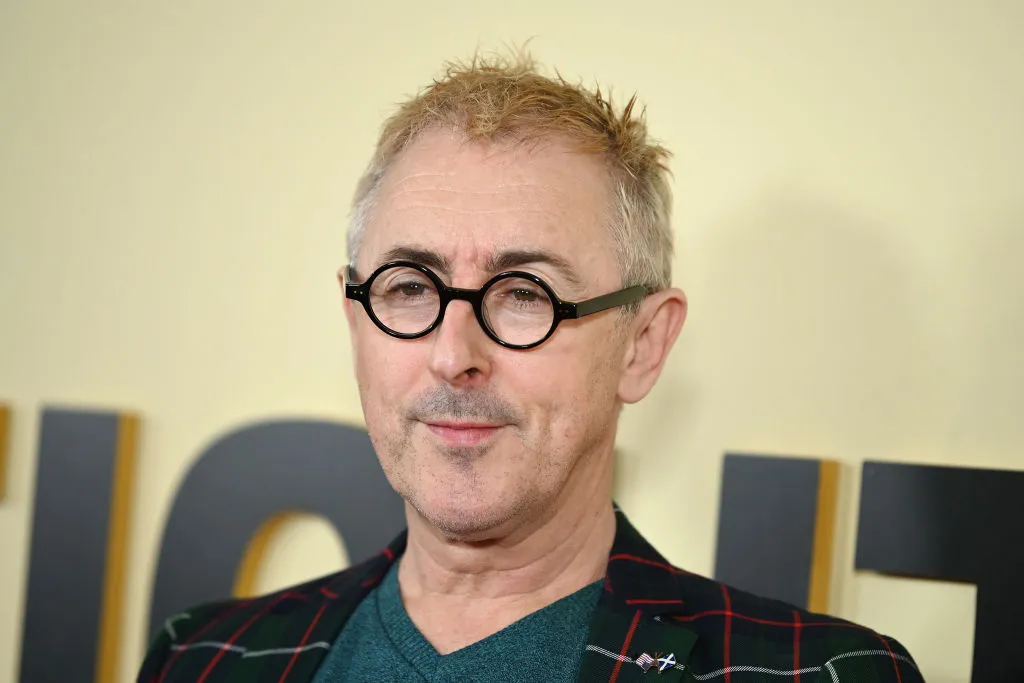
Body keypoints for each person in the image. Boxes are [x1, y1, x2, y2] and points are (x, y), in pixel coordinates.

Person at [138, 53, 922, 682]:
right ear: (355, 322)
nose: (454, 355)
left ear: (643, 344)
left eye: (524, 294)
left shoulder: (822, 672)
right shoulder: (203, 658)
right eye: (409, 287)